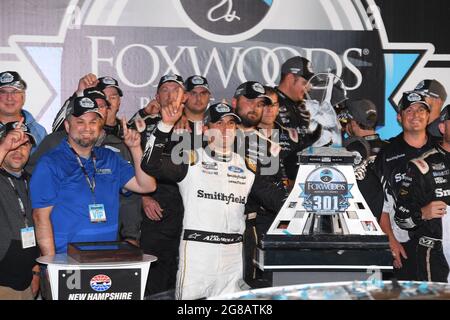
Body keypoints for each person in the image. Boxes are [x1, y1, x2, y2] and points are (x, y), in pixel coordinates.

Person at [141, 100, 286, 300]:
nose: (226, 129)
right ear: (207, 130)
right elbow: (150, 164)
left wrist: (306, 197)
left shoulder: (248, 166)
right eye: (219, 123)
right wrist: (165, 126)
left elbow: (275, 198)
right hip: (199, 251)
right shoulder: (190, 160)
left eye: (231, 124)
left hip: (234, 254)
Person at [30, 96, 156, 255]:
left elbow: (147, 185)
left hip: (106, 256)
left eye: (93, 122)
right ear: (68, 126)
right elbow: (40, 217)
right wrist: (51, 263)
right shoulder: (51, 163)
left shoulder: (109, 157)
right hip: (66, 260)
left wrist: (135, 148)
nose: (87, 128)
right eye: (80, 122)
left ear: (100, 126)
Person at [374, 91, 437, 280]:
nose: (415, 115)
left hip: (440, 242)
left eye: (421, 110)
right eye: (409, 110)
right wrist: (391, 241)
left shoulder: (442, 149)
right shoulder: (386, 155)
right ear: (399, 117)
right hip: (404, 242)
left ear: (428, 116)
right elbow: (381, 205)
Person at [395, 104, 450, 282]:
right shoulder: (421, 165)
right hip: (436, 255)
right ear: (442, 127)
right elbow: (401, 217)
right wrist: (423, 213)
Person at [0, 120, 40, 299]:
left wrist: (35, 270)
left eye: (25, 144)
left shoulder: (32, 181)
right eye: (13, 142)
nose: (18, 149)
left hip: (25, 280)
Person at [275, 57, 322, 178]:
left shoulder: (304, 106)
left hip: (301, 176)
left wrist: (317, 132)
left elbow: (303, 144)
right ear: (290, 78)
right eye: (305, 83)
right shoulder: (269, 102)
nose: (309, 87)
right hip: (277, 177)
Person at [0, 71, 47, 152]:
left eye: (15, 92)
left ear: (23, 96)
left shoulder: (39, 132)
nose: (9, 98)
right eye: (3, 92)